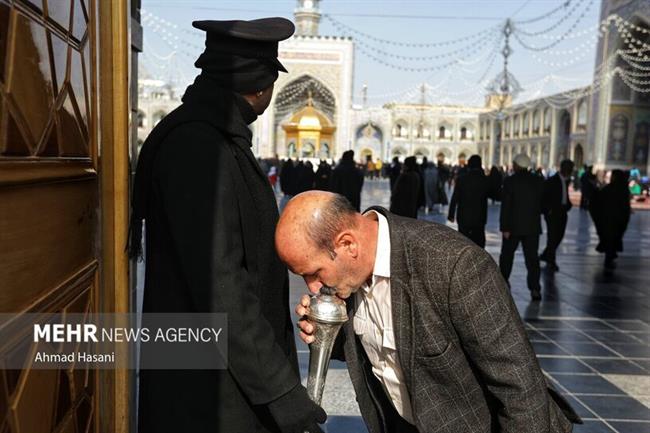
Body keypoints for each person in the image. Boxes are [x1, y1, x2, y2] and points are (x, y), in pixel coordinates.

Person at [130, 18, 325, 433]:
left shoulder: (207, 137)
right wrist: (281, 394)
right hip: (209, 391)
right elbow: (222, 285)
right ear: (260, 86)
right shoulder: (202, 149)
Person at [276, 191, 580, 433]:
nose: (313, 288)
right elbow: (380, 344)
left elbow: (519, 387)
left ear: (347, 244)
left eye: (314, 273)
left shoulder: (453, 266)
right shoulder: (351, 276)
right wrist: (329, 333)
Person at [499, 154, 544, 301]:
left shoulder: (510, 181)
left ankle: (503, 283)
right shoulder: (538, 181)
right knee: (532, 259)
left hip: (513, 227)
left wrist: (505, 227)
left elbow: (506, 206)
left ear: (517, 165)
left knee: (507, 256)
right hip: (532, 227)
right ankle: (535, 288)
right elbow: (542, 204)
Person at [448, 154, 493, 248]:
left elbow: (455, 197)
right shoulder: (485, 180)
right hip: (479, 216)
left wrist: (451, 214)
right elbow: (494, 194)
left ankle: (464, 261)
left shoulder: (462, 179)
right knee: (479, 242)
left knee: (463, 242)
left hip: (464, 216)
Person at [590, 170, 631, 269]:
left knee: (609, 240)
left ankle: (609, 257)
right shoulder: (623, 190)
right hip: (618, 220)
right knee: (613, 240)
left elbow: (597, 202)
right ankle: (610, 257)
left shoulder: (609, 189)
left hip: (609, 220)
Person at [540, 159, 574, 272]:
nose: (571, 171)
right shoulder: (552, 181)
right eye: (569, 168)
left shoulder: (566, 180)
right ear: (563, 168)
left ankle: (546, 255)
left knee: (559, 236)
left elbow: (564, 195)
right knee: (552, 237)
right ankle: (551, 261)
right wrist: (547, 210)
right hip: (553, 214)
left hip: (562, 212)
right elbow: (543, 197)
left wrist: (568, 205)